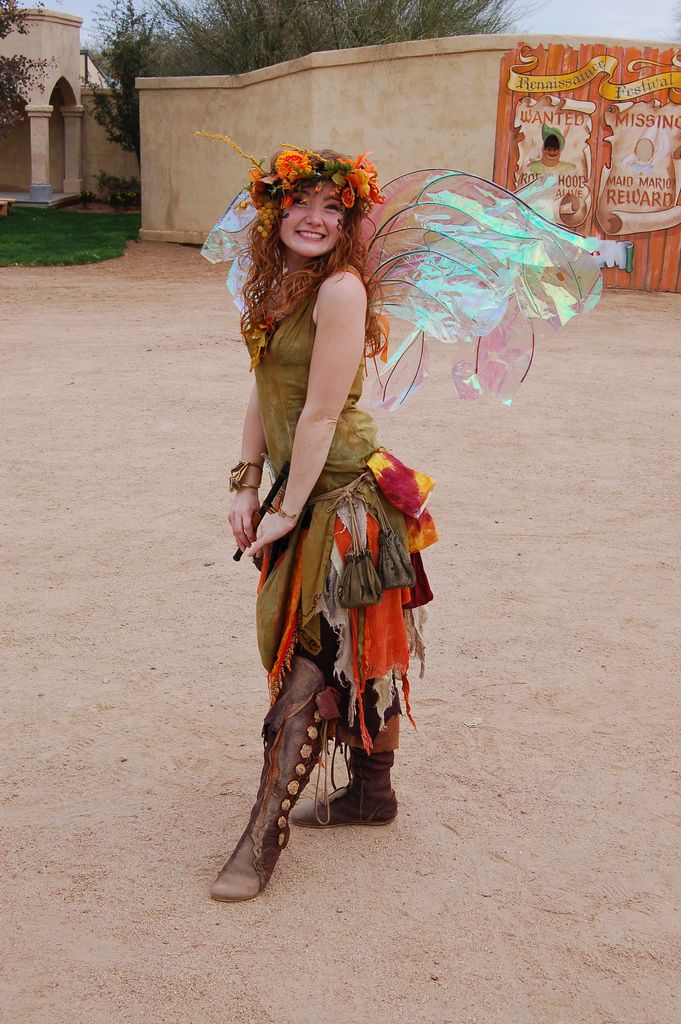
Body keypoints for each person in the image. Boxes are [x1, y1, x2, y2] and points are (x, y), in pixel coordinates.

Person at [207, 145, 437, 902]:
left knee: (312, 665)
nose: (314, 219)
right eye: (301, 203)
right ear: (274, 211)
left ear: (349, 221)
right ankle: (370, 794)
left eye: (332, 208)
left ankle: (262, 832)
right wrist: (246, 484)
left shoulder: (340, 290)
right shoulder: (277, 282)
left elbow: (318, 413)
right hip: (299, 489)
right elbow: (260, 391)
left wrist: (281, 509)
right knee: (350, 651)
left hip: (344, 501)